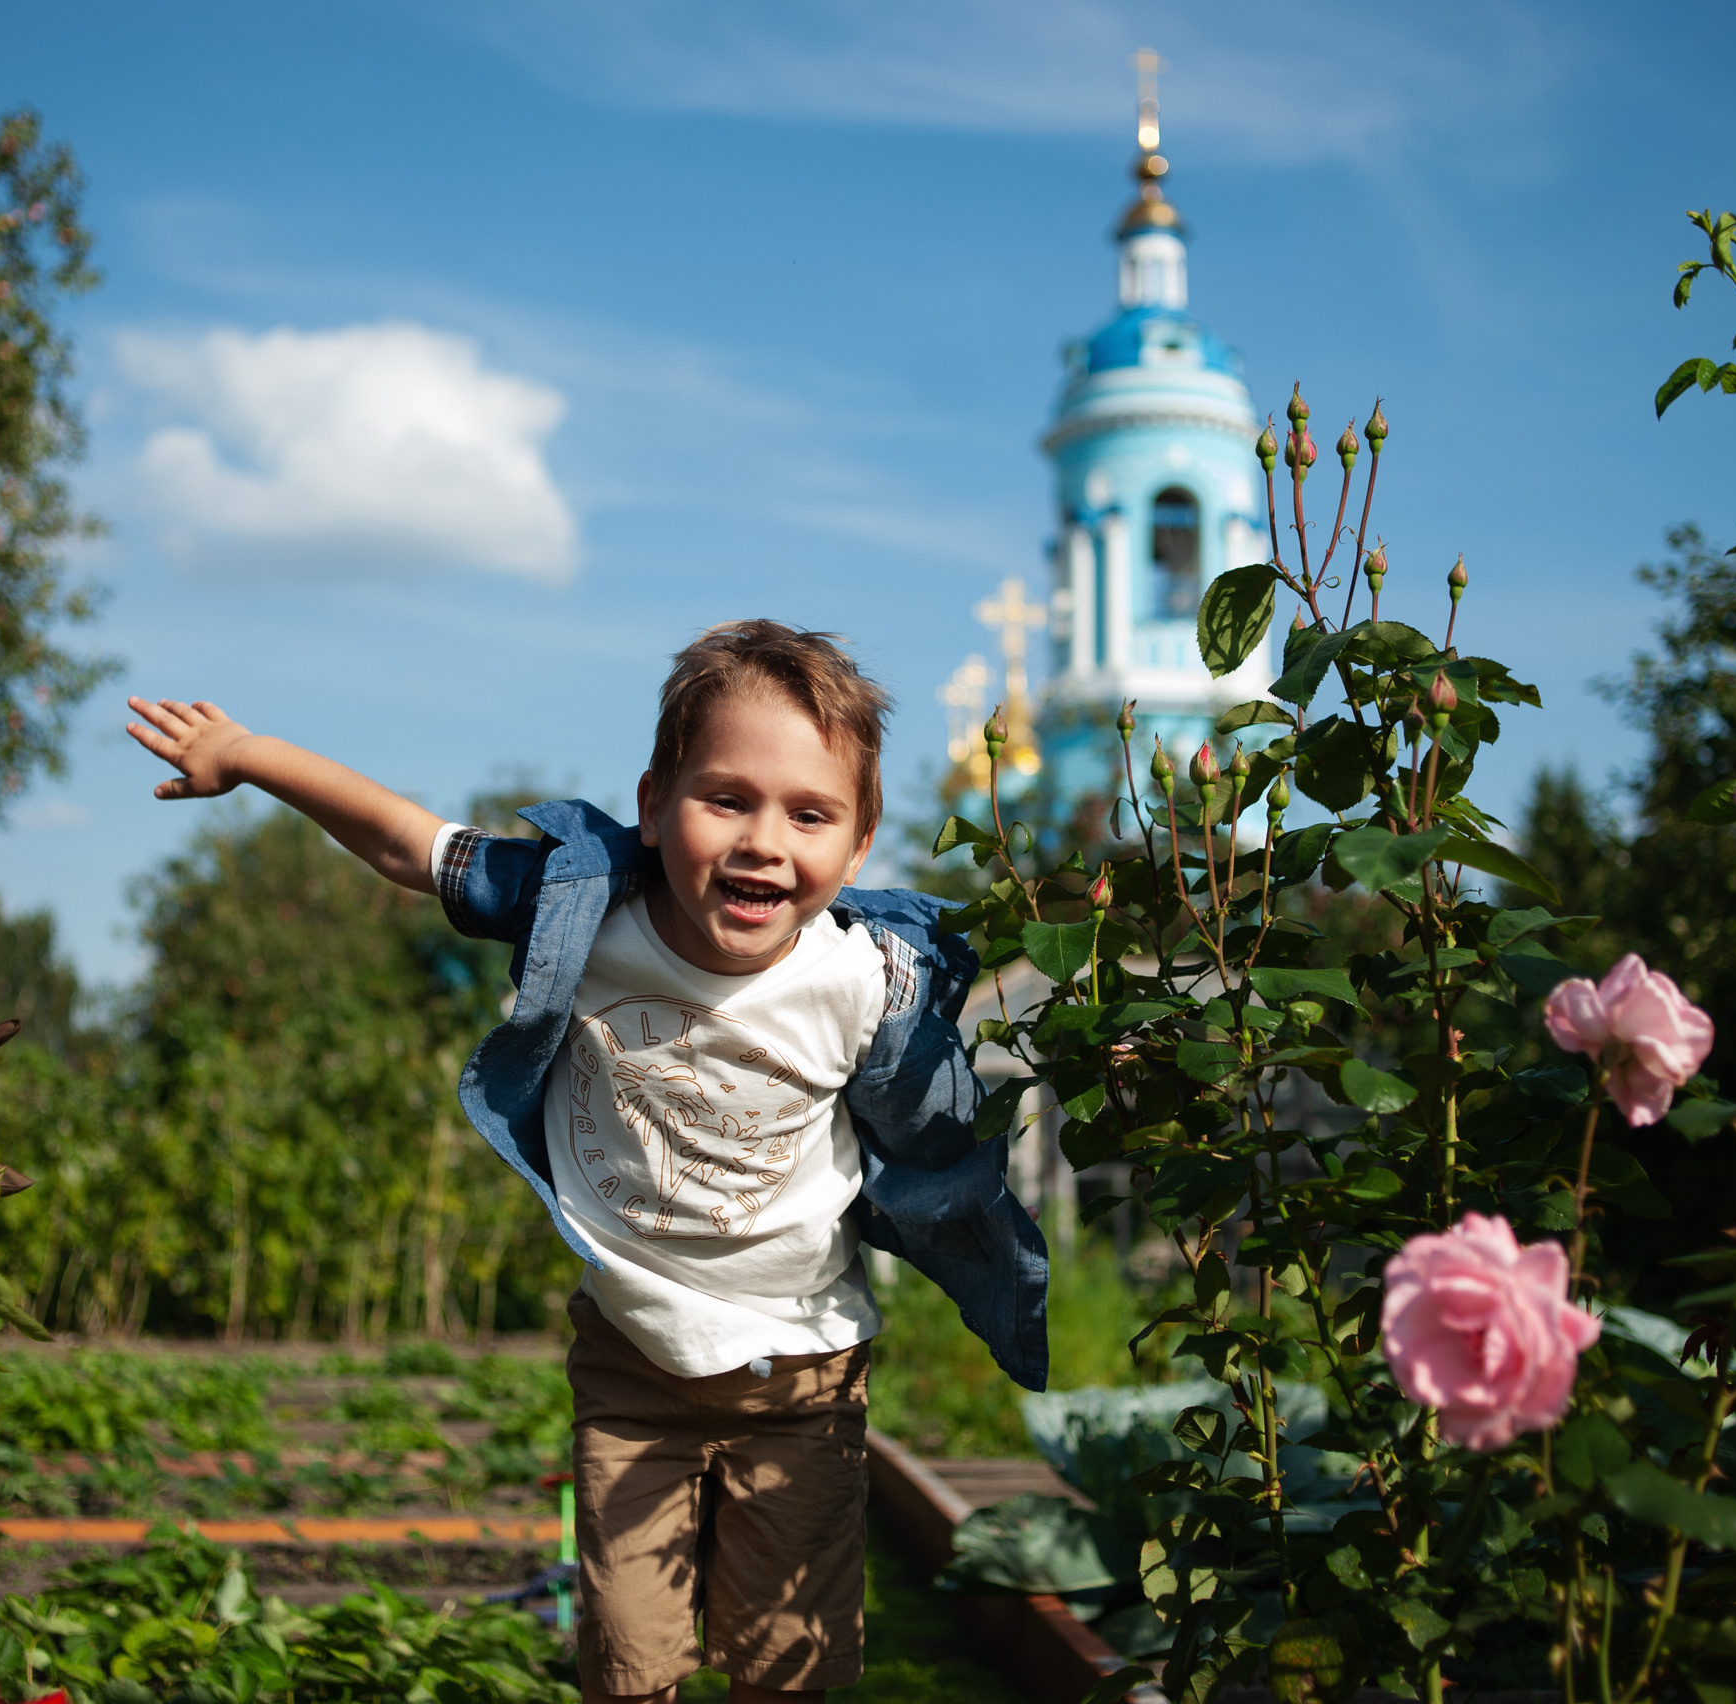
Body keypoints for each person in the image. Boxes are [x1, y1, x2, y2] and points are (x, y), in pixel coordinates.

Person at [126, 619, 1047, 1704]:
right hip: (629, 1366)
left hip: (801, 1370)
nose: (763, 841)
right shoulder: (583, 912)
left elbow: (988, 1065)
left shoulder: (863, 982)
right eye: (726, 799)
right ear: (654, 806)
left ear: (856, 845)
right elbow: (409, 847)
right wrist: (246, 755)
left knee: (792, 1664)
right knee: (626, 1661)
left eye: (808, 815)